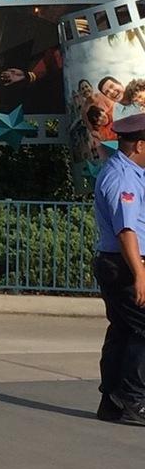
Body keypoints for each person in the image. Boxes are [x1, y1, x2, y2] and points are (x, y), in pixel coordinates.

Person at [91, 113, 145, 425]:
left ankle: (112, 401)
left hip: (121, 263)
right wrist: (140, 274)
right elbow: (126, 230)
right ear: (139, 145)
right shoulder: (122, 177)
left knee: (123, 331)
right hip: (125, 264)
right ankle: (133, 400)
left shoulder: (131, 172)